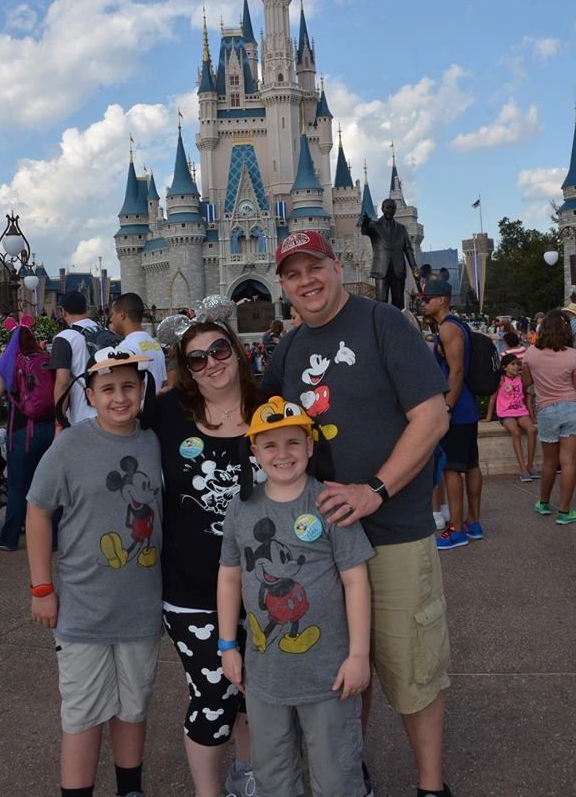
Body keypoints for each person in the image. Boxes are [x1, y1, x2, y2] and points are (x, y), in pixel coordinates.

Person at [263, 230, 452, 797]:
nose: (307, 282)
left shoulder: (382, 323)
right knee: (343, 673)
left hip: (392, 532)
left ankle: (430, 786)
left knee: (413, 669)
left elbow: (432, 416)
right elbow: (259, 423)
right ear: (284, 286)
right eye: (294, 275)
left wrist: (376, 488)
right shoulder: (288, 351)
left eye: (314, 267)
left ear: (337, 265)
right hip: (323, 545)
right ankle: (352, 775)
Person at [218, 397, 374, 797]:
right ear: (254, 451)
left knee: (336, 775)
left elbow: (356, 581)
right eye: (269, 445)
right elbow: (230, 577)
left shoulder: (329, 503)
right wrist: (227, 645)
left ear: (309, 446)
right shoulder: (241, 507)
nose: (282, 454)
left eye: (292, 443)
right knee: (274, 777)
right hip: (265, 678)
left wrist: (359, 656)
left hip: (329, 676)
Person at [26, 346, 162, 797]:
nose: (119, 397)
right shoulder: (69, 446)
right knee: (82, 715)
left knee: (132, 708)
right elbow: (38, 512)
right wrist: (42, 587)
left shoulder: (153, 442)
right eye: (108, 389)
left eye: (128, 386)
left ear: (143, 389)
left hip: (140, 608)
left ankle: (130, 789)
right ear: (90, 393)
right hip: (83, 610)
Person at [153, 299, 263, 797]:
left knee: (255, 693)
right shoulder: (166, 415)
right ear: (185, 368)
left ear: (236, 350)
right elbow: (109, 426)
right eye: (196, 358)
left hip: (265, 586)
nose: (211, 362)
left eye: (218, 349)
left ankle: (248, 772)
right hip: (193, 591)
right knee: (214, 692)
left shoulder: (274, 411)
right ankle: (207, 792)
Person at [0, 316, 55, 552]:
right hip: (50, 430)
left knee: (19, 486)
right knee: (50, 485)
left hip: (22, 434)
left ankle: (9, 538)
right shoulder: (46, 359)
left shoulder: (9, 363)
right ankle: (55, 537)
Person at [420, 277, 484, 550]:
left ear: (441, 300)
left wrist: (447, 407)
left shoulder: (448, 329)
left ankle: (457, 530)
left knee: (451, 469)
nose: (423, 304)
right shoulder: (454, 326)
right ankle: (473, 522)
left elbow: (456, 371)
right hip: (465, 407)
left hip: (457, 408)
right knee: (470, 465)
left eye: (427, 299)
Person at [522, 309, 576, 523]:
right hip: (571, 408)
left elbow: (526, 382)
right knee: (569, 462)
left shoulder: (531, 353)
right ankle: (564, 512)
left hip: (545, 410)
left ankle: (543, 503)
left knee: (548, 462)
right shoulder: (573, 355)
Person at [49, 291, 99, 431]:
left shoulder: (64, 338)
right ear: (86, 308)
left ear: (63, 312)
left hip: (83, 418)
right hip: (109, 412)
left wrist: (59, 423)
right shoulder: (104, 332)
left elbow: (62, 382)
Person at [486, 355, 538, 481]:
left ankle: (530, 466)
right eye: (512, 364)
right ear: (505, 367)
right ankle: (523, 469)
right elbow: (493, 399)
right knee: (515, 432)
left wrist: (532, 417)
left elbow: (527, 396)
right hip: (505, 413)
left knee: (531, 430)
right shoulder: (501, 379)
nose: (516, 366)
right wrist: (488, 418)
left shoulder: (521, 378)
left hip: (520, 410)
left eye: (517, 364)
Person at [361, 197, 420, 308]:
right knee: (381, 302)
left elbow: (408, 249)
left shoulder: (401, 228)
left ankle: (397, 323)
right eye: (388, 208)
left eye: (393, 208)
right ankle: (381, 324)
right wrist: (365, 223)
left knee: (398, 302)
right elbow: (365, 231)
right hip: (381, 269)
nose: (390, 210)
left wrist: (414, 267)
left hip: (398, 269)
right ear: (382, 209)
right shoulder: (374, 225)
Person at [109, 292, 167, 394]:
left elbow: (123, 390)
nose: (111, 319)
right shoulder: (155, 345)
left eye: (113, 314)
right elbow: (163, 383)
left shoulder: (126, 347)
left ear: (122, 314)